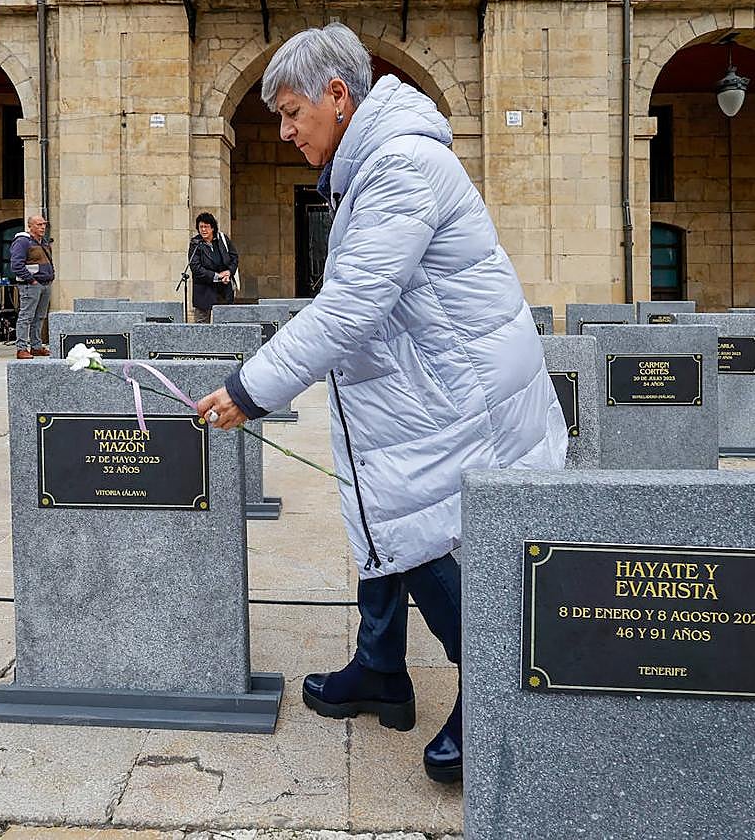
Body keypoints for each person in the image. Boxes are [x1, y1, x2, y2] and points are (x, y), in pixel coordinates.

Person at [195, 23, 567, 784]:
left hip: (456, 397)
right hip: (431, 386)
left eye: (294, 111)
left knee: (422, 532)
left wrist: (248, 388)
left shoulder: (397, 166)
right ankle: (379, 668)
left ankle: (501, 690)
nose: (287, 130)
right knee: (388, 513)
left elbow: (348, 309)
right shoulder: (376, 162)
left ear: (339, 96)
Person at [9, 214, 54, 359]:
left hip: (45, 283)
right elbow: (16, 265)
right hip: (31, 285)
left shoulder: (43, 241)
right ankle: (21, 348)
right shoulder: (22, 241)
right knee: (26, 316)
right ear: (30, 226)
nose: (42, 227)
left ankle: (36, 346)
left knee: (39, 317)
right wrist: (31, 280)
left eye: (43, 224)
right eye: (39, 225)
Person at [188, 212, 238, 323]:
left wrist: (229, 272)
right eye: (201, 227)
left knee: (225, 325)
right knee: (202, 328)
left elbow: (234, 257)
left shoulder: (223, 239)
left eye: (206, 227)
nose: (203, 230)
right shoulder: (195, 243)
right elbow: (196, 268)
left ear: (213, 228)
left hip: (223, 291)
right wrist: (217, 276)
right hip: (204, 292)